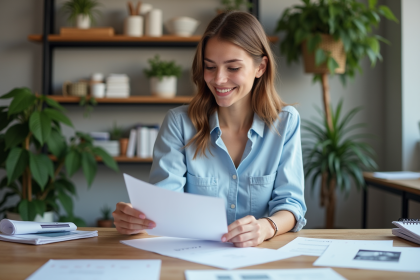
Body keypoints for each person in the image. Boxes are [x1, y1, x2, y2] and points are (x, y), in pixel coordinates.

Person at [113, 11, 307, 247]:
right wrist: (137, 218)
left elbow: (291, 203)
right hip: (190, 256)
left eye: (233, 68)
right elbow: (164, 202)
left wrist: (265, 227)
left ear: (261, 67)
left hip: (261, 255)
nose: (219, 79)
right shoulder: (178, 123)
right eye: (210, 67)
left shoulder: (285, 122)